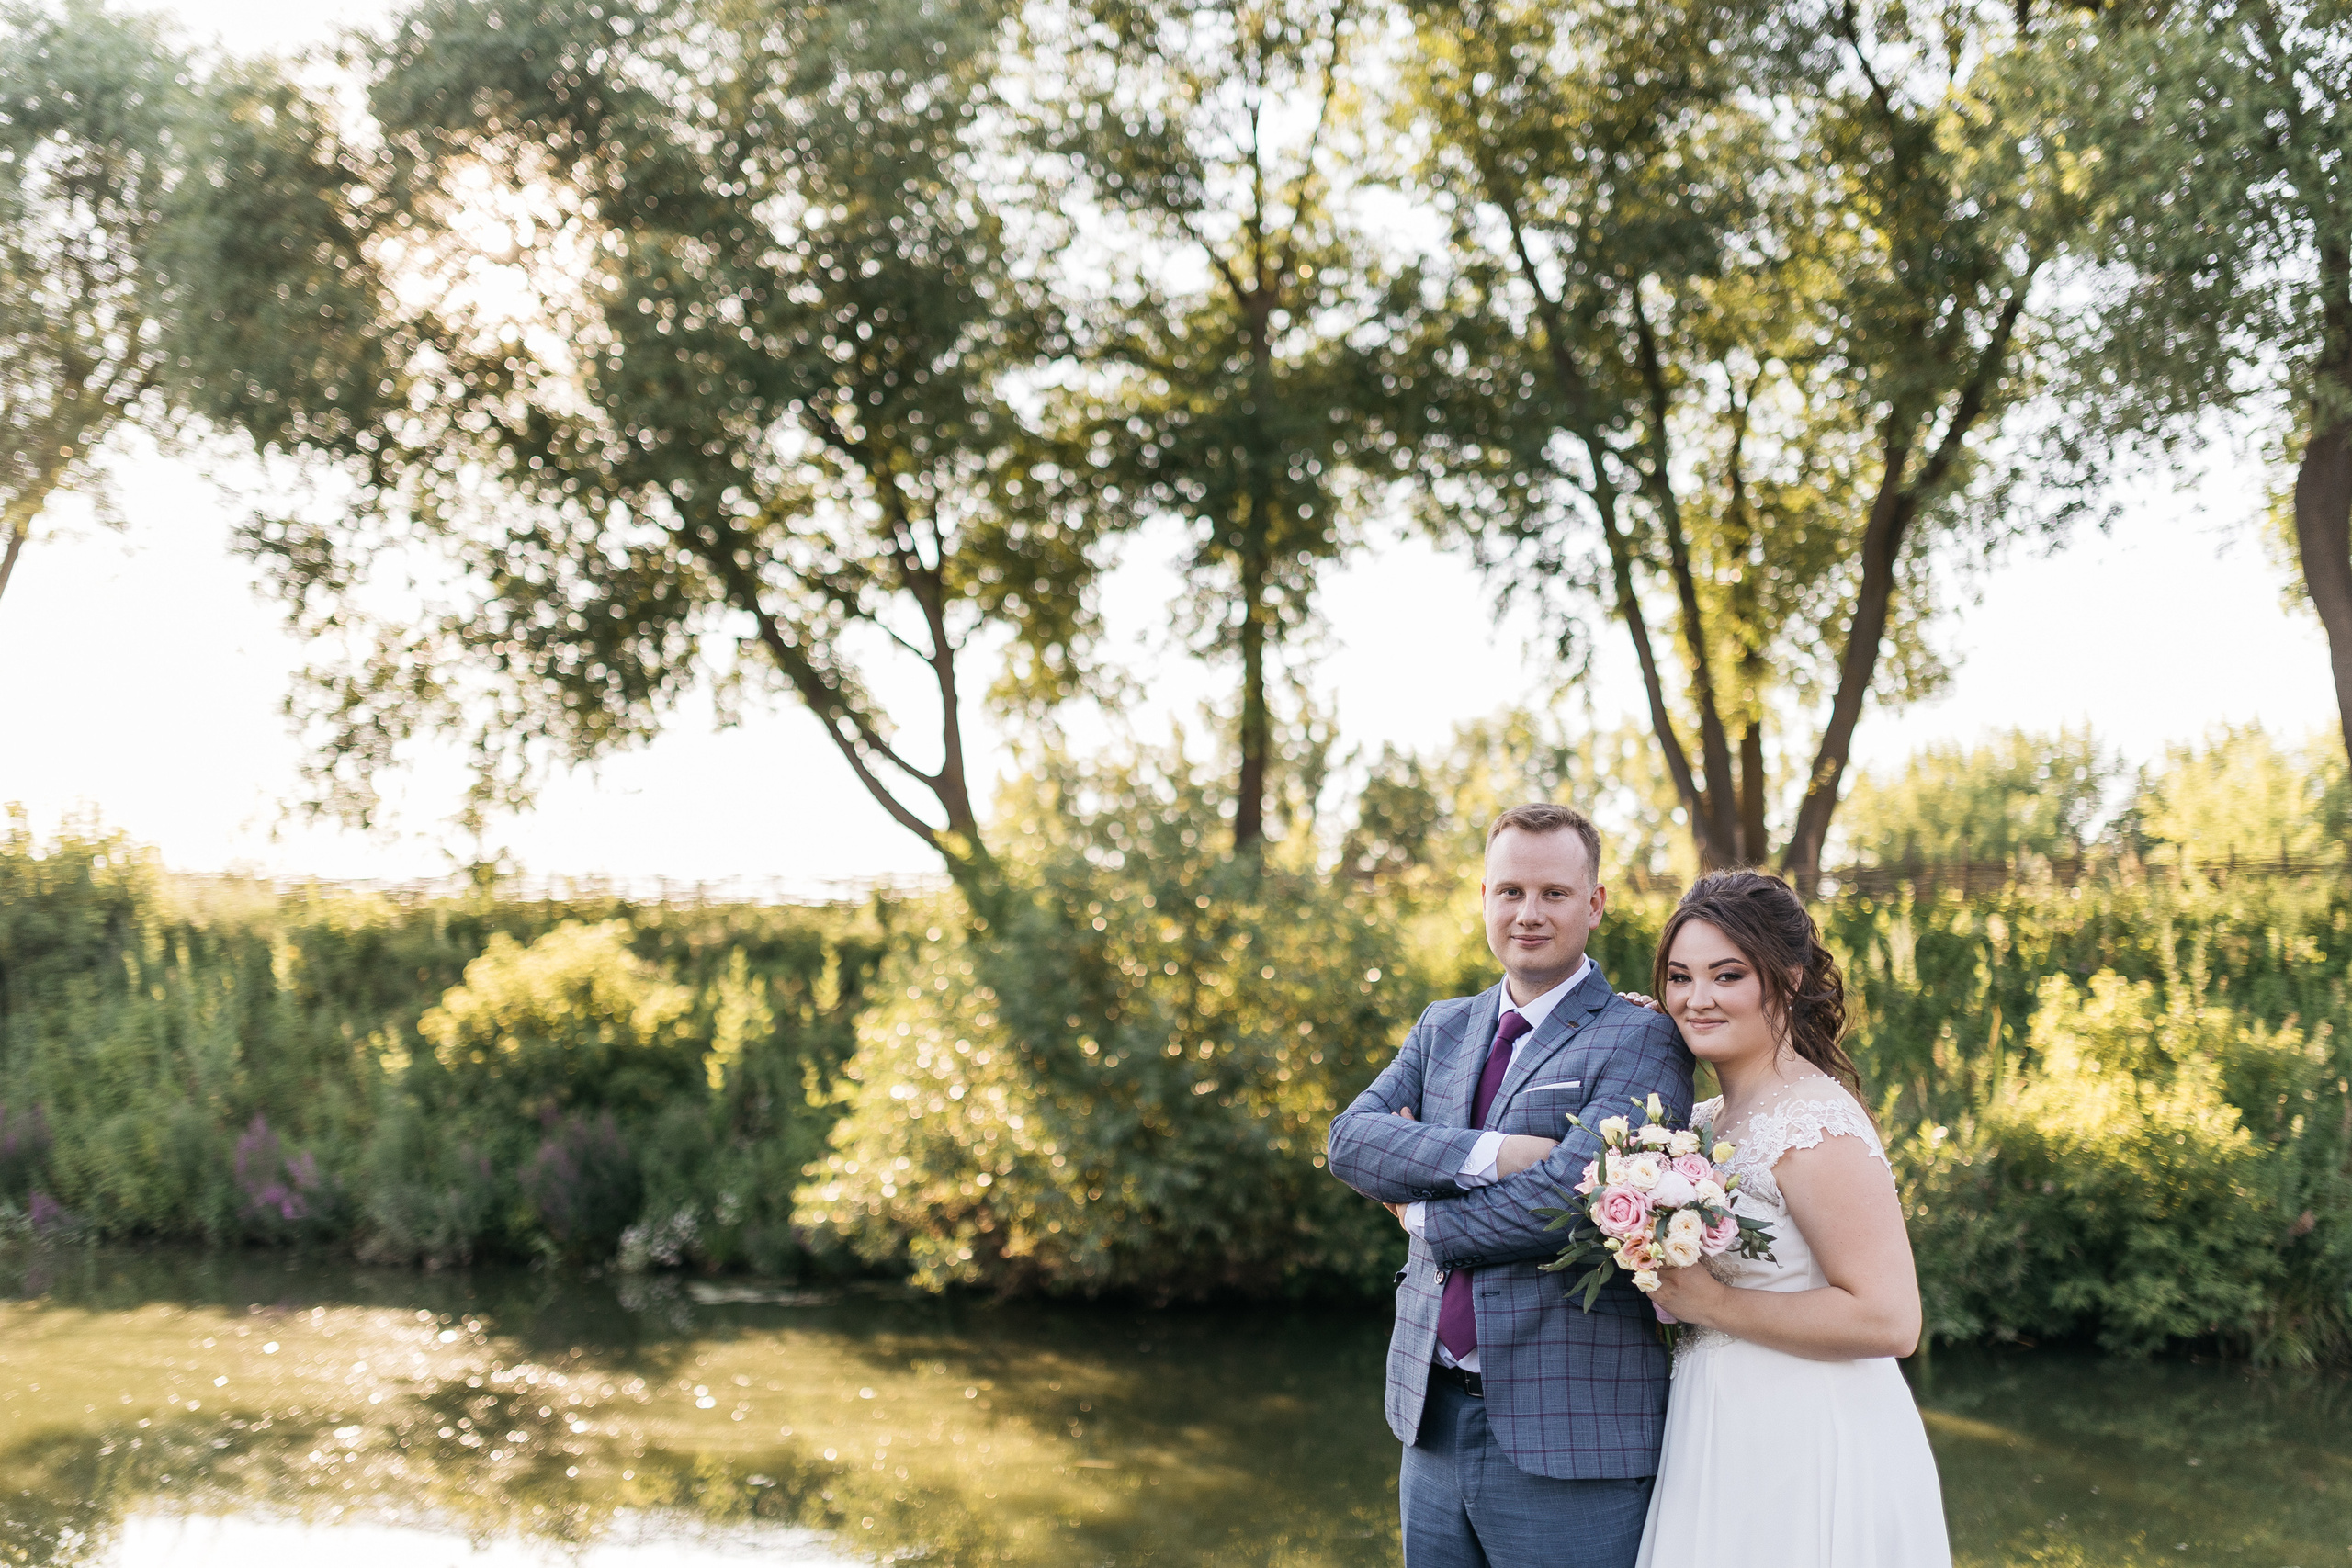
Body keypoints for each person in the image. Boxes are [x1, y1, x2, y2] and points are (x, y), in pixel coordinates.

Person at [1327, 803, 1694, 1568]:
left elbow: (1573, 1198)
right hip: (1431, 1417)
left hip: (1571, 1434)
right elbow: (1351, 1141)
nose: (1529, 913)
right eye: (1510, 891)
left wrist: (1424, 1217)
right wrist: (1495, 1154)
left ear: (1594, 904)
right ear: (1485, 897)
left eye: (1554, 893)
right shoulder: (1443, 1027)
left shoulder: (1641, 1035)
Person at [1632, 869, 1951, 1567]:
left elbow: (1891, 1319)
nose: (1697, 997)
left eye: (1727, 974)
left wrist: (1713, 1301)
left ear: (1789, 976)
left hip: (1808, 1433)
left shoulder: (1814, 1121)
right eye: (1679, 977)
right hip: (1714, 1425)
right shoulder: (1701, 1123)